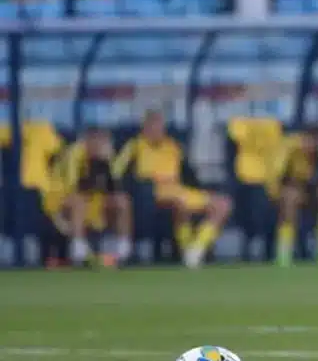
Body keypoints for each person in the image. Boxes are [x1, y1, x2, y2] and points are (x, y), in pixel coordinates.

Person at [113, 110, 232, 268]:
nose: (157, 130)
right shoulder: (134, 146)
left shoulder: (173, 146)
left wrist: (200, 189)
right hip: (152, 193)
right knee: (180, 204)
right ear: (145, 128)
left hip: (178, 190)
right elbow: (117, 172)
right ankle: (186, 249)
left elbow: (189, 175)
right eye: (152, 126)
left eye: (159, 126)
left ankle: (197, 248)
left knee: (223, 204)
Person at [58, 127, 133, 266]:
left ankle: (123, 250)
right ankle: (78, 250)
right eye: (98, 141)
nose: (101, 146)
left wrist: (105, 164)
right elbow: (73, 187)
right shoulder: (74, 154)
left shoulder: (107, 156)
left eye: (104, 142)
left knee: (122, 201)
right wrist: (95, 166)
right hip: (62, 203)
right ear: (88, 141)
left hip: (95, 202)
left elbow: (115, 187)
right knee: (78, 201)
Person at [272, 126, 318, 267]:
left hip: (311, 190)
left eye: (315, 141)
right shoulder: (289, 149)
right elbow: (278, 179)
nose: (311, 146)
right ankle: (284, 253)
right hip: (290, 190)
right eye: (309, 141)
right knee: (290, 198)